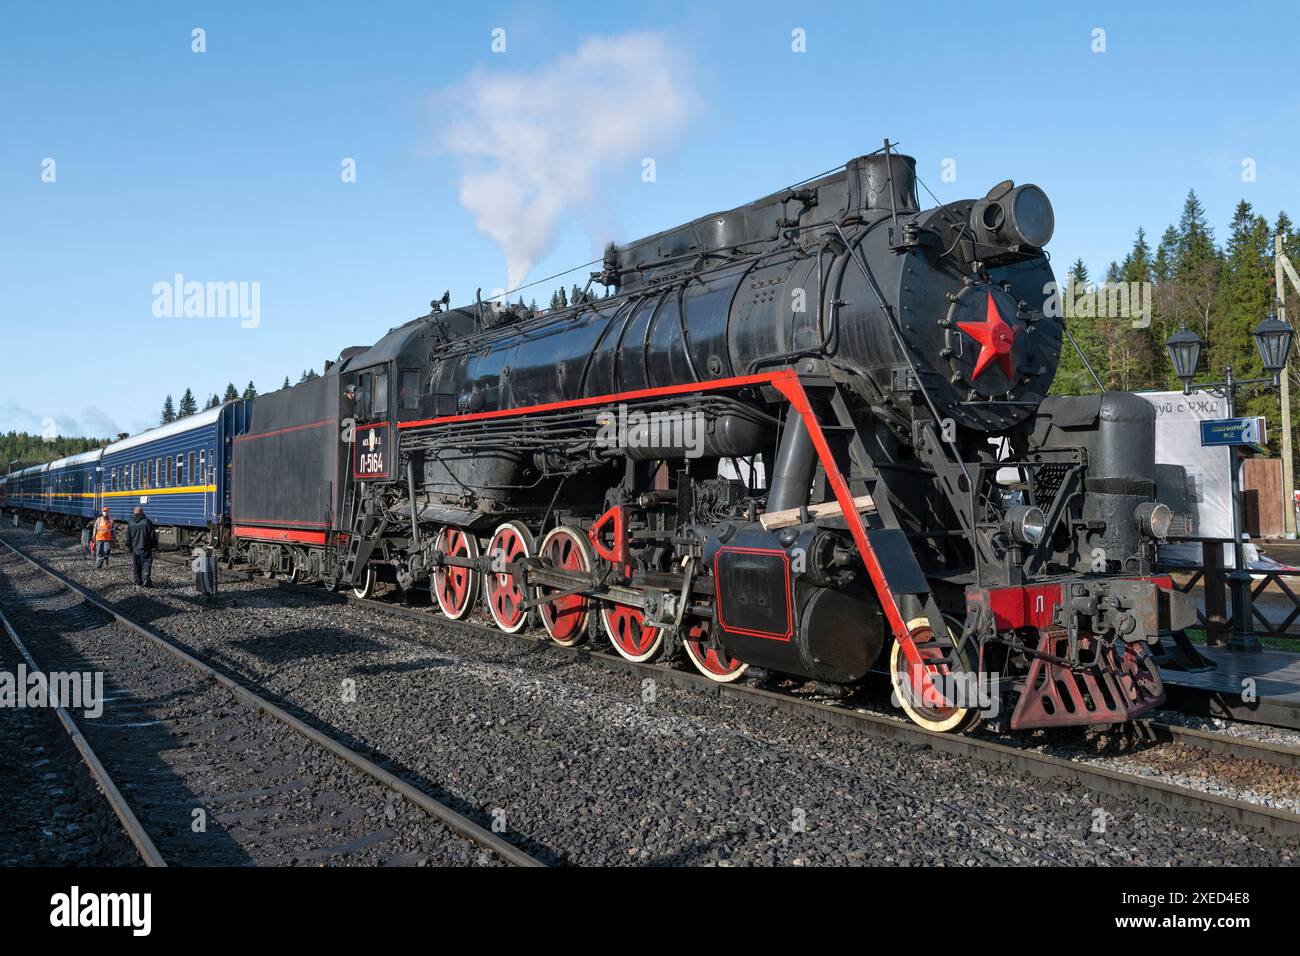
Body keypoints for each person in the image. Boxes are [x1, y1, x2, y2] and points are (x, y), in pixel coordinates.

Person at [125, 506, 158, 587]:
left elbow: (128, 537)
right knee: (146, 563)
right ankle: (146, 580)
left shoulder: (130, 523)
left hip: (135, 548)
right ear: (142, 512)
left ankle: (138, 581)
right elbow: (152, 535)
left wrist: (129, 546)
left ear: (134, 513)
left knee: (136, 565)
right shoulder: (147, 522)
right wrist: (154, 545)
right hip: (145, 547)